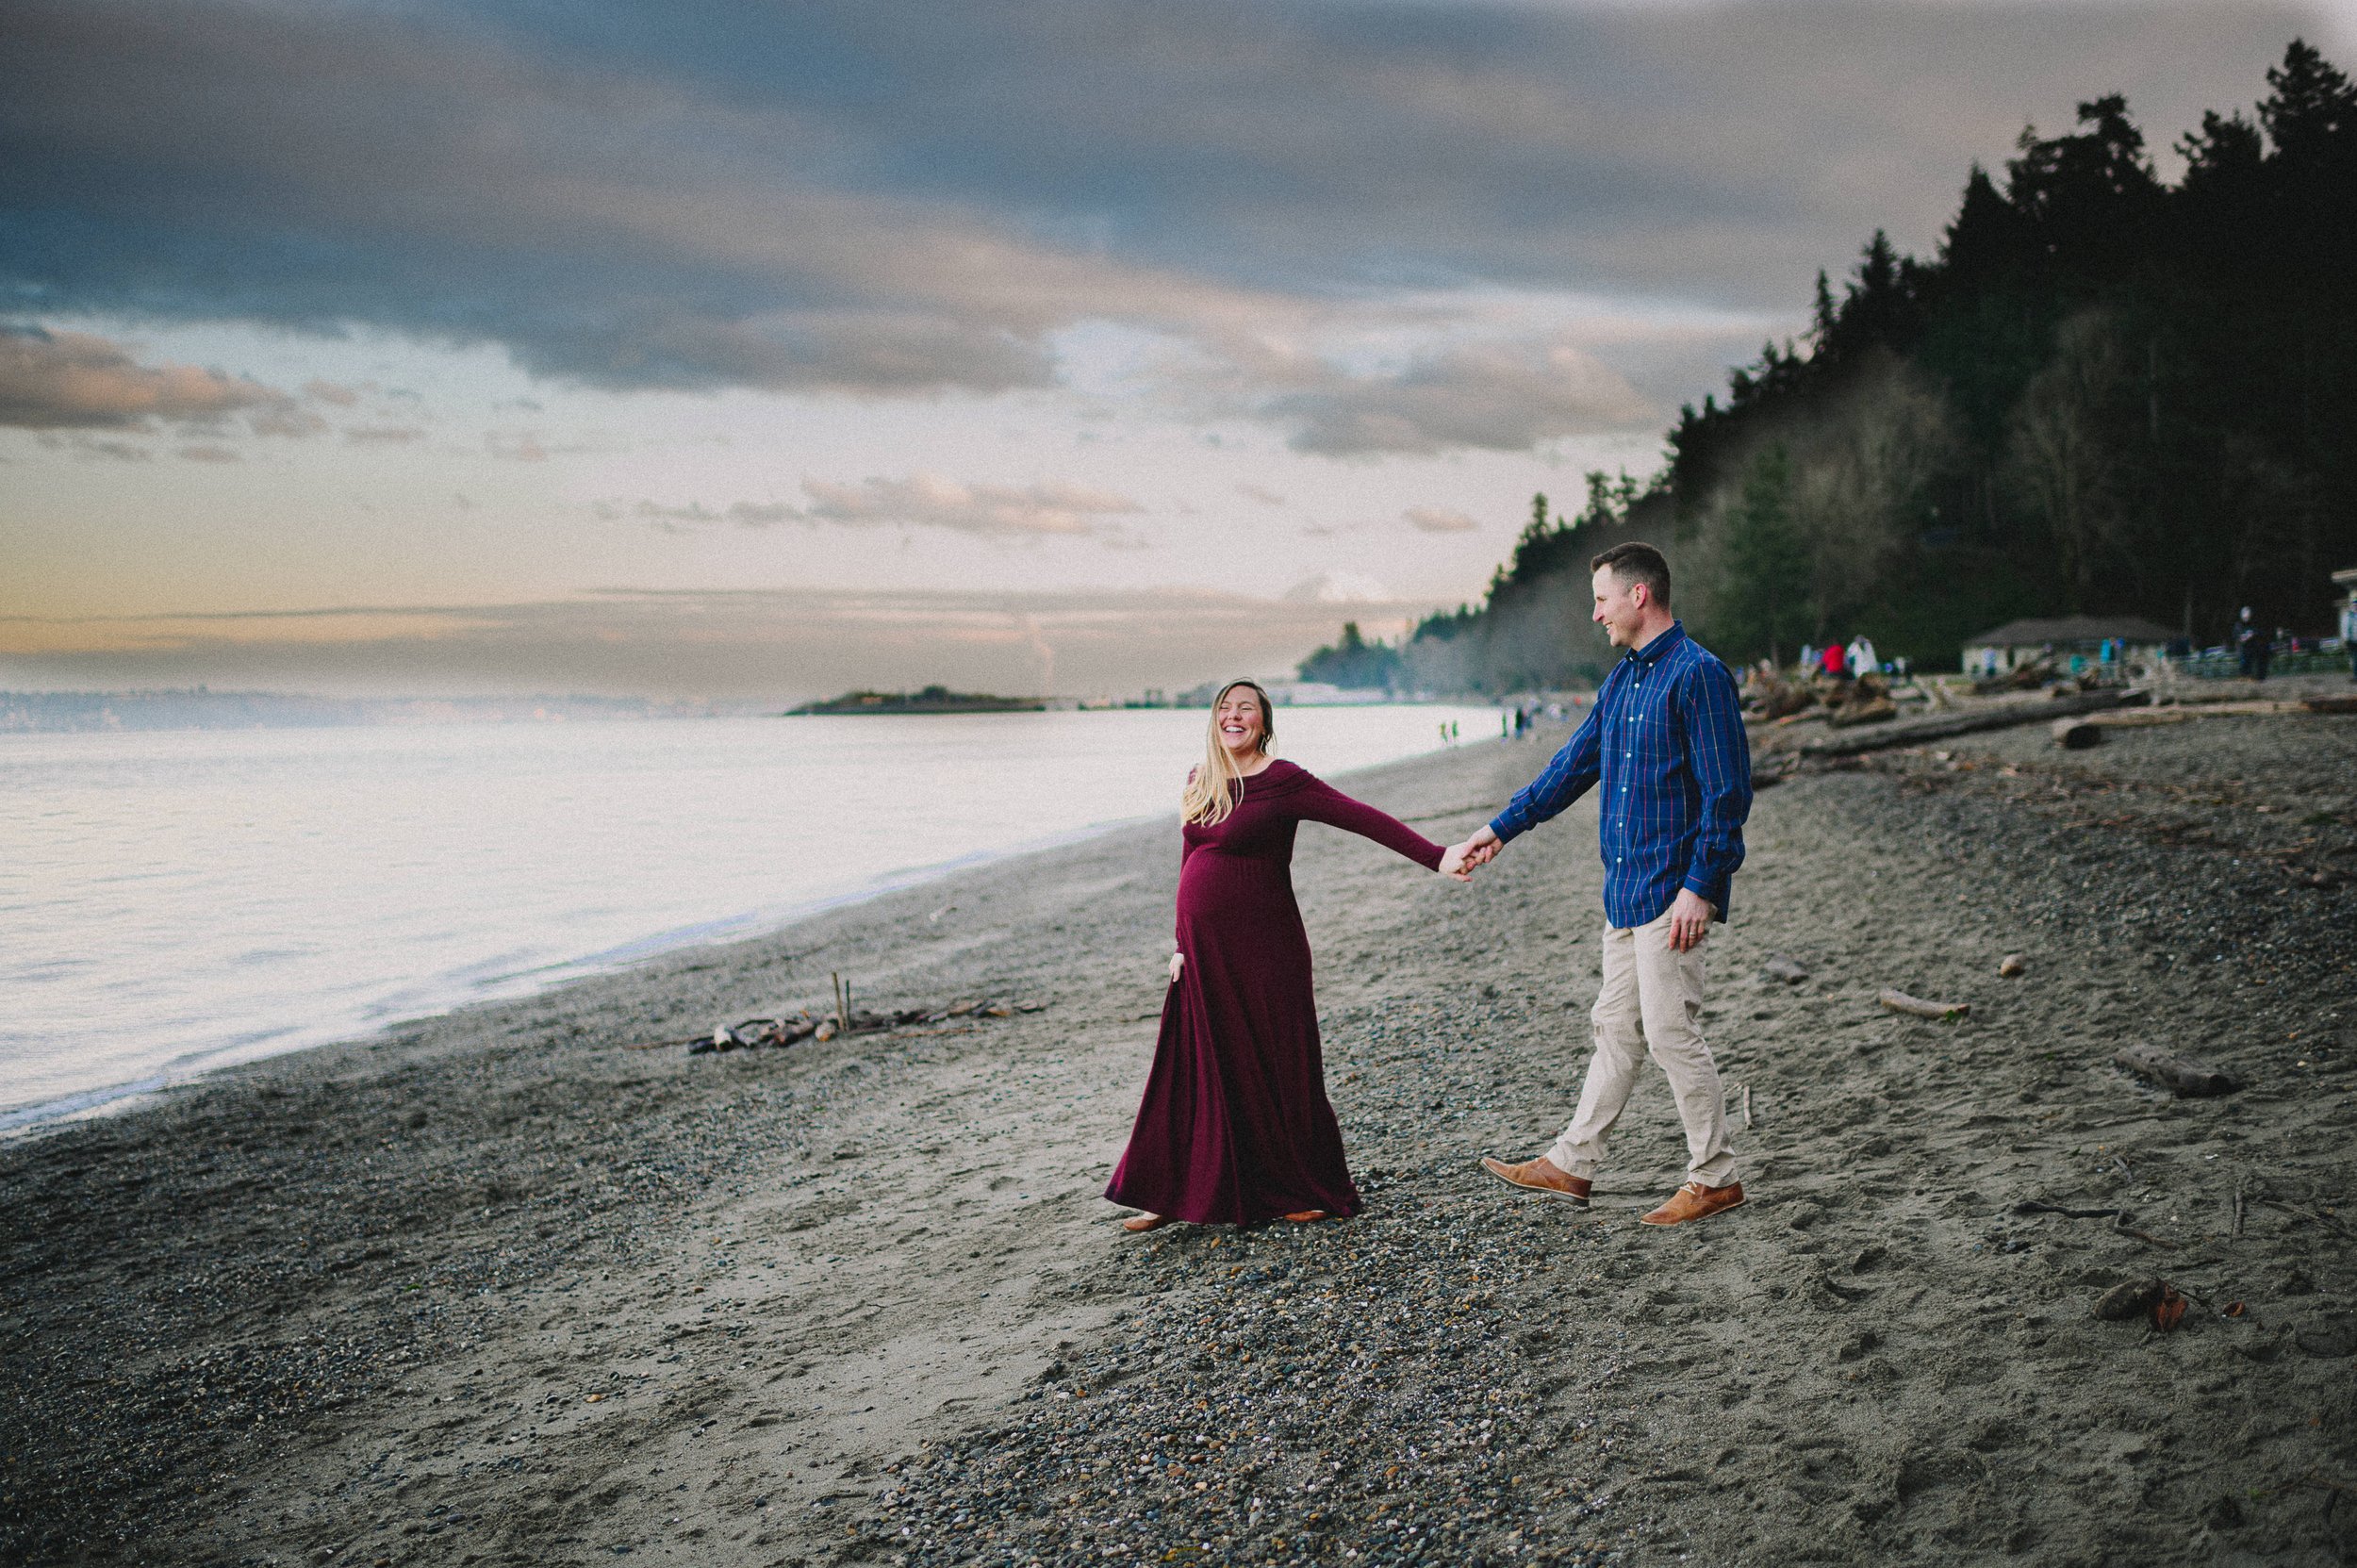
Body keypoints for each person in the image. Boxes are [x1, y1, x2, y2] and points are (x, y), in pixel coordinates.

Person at [1448, 543, 1754, 1227]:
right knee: (1615, 1026)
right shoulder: (1623, 682)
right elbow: (1570, 766)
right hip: (1624, 891)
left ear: (1640, 595)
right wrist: (1499, 829)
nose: (1595, 613)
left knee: (1672, 1032)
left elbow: (1727, 794)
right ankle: (1572, 1163)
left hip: (1673, 892)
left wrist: (1702, 885)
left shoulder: (1698, 675)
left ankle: (1715, 1176)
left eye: (1602, 599)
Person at [1108, 680, 1474, 1231]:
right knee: (1194, 1066)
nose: (1234, 717)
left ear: (1263, 722)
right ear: (1214, 719)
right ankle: (1171, 1191)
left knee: (1283, 1063)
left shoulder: (1284, 781)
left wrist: (1437, 857)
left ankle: (1307, 1186)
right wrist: (1179, 944)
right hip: (1204, 952)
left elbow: (1359, 816)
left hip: (1266, 947)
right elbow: (1190, 854)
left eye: (1246, 709)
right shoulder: (1199, 779)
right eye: (1225, 709)